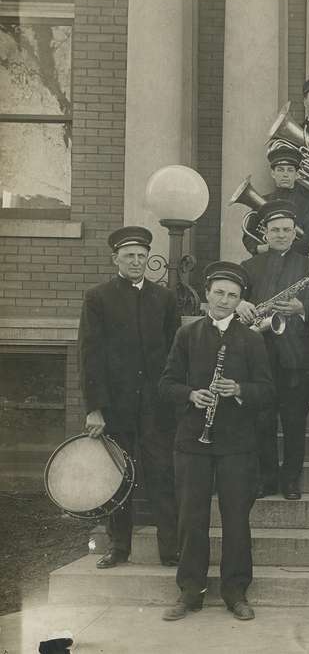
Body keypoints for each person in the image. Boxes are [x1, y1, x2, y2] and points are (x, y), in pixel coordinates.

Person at [159, 261, 274, 622]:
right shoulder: (187, 335)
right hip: (193, 440)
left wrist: (239, 390)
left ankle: (235, 591)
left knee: (236, 518)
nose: (225, 300)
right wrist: (192, 395)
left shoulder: (252, 340)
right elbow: (166, 384)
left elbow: (268, 391)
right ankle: (190, 591)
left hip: (237, 444)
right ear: (207, 295)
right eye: (219, 293)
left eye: (233, 295)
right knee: (191, 518)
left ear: (241, 301)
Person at [78, 226, 180, 570]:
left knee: (162, 473)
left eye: (141, 256)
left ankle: (170, 549)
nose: (136, 261)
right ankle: (119, 548)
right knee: (119, 476)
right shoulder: (98, 297)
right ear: (115, 259)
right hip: (116, 407)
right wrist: (95, 408)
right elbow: (89, 356)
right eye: (129, 256)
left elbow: (173, 354)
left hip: (156, 407)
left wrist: (172, 398)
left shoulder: (164, 298)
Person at [238, 200, 309, 500]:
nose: (281, 235)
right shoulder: (247, 267)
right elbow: (230, 300)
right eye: (275, 230)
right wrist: (240, 303)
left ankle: (291, 479)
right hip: (258, 355)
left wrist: (303, 306)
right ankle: (266, 479)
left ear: (295, 233)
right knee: (261, 421)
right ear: (264, 234)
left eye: (286, 230)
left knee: (295, 422)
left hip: (296, 355)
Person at [241, 144, 309, 258]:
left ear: (297, 175)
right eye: (280, 170)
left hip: (297, 262)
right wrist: (259, 248)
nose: (285, 174)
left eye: (290, 170)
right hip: (268, 261)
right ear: (273, 174)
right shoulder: (262, 201)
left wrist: (281, 248)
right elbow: (249, 235)